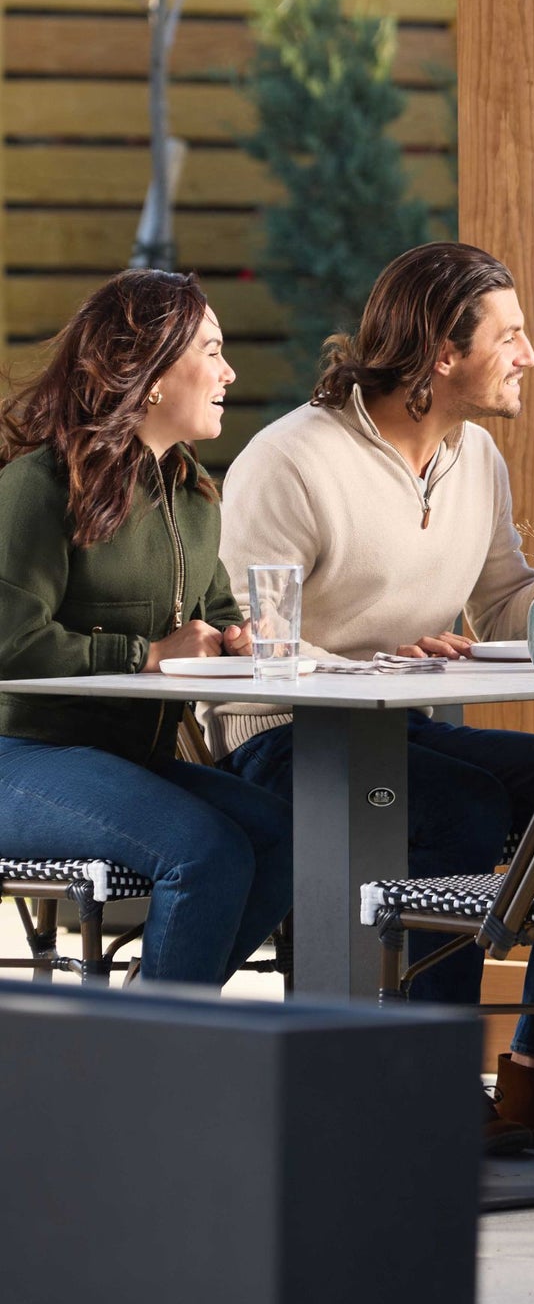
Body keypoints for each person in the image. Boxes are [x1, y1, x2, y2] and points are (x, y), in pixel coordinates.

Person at [214, 241, 534, 1147]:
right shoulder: (291, 461)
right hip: (281, 739)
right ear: (444, 353)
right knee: (463, 810)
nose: (527, 355)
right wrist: (380, 666)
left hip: (406, 730)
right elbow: (249, 639)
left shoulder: (474, 455)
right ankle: (425, 1089)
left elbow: (504, 608)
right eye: (509, 336)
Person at [0, 270, 293, 987]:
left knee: (285, 833)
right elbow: (8, 643)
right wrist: (147, 654)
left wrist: (239, 638)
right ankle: (153, 1061)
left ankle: (148, 1024)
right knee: (206, 850)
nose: (230, 372)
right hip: (21, 756)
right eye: (213, 352)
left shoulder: (192, 495)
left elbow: (216, 613)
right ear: (154, 372)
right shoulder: (39, 485)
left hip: (123, 760)